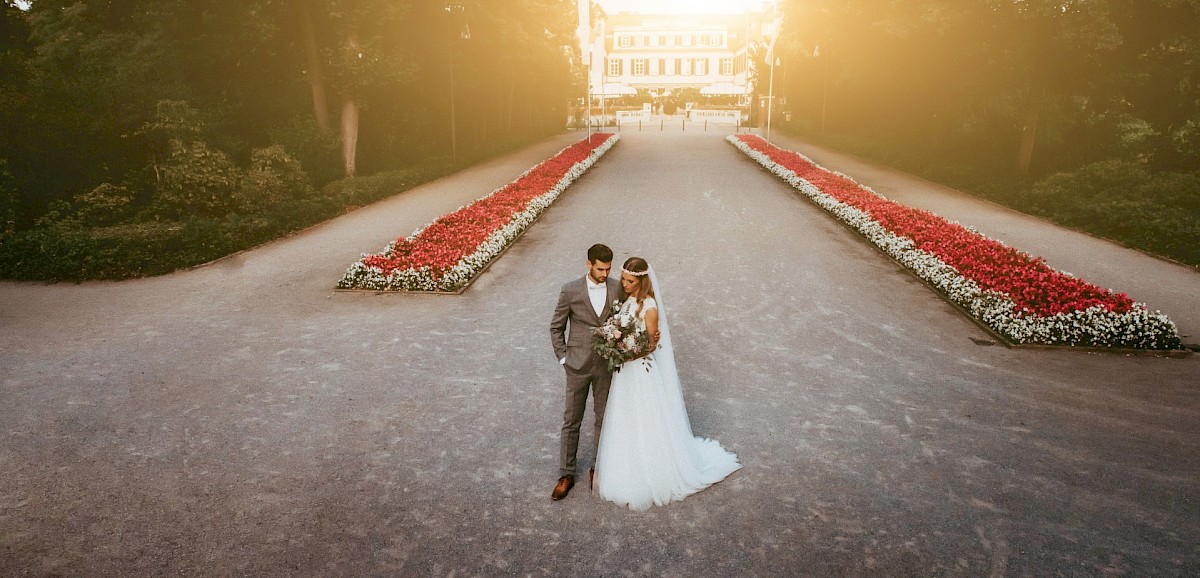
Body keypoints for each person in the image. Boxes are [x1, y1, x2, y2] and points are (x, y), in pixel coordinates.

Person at [594, 257, 741, 511]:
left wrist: (627, 353)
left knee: (645, 417)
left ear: (641, 280)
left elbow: (651, 345)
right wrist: (613, 342)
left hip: (639, 370)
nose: (625, 284)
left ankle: (651, 469)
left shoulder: (649, 307)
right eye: (625, 279)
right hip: (624, 371)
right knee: (625, 416)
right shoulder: (628, 301)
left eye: (630, 281)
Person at [548, 243, 622, 500]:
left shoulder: (617, 287)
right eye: (600, 269)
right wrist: (563, 358)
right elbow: (556, 327)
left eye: (608, 269)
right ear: (588, 264)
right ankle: (566, 473)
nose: (604, 274)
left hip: (606, 366)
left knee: (604, 419)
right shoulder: (570, 290)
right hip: (576, 365)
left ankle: (598, 468)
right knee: (571, 420)